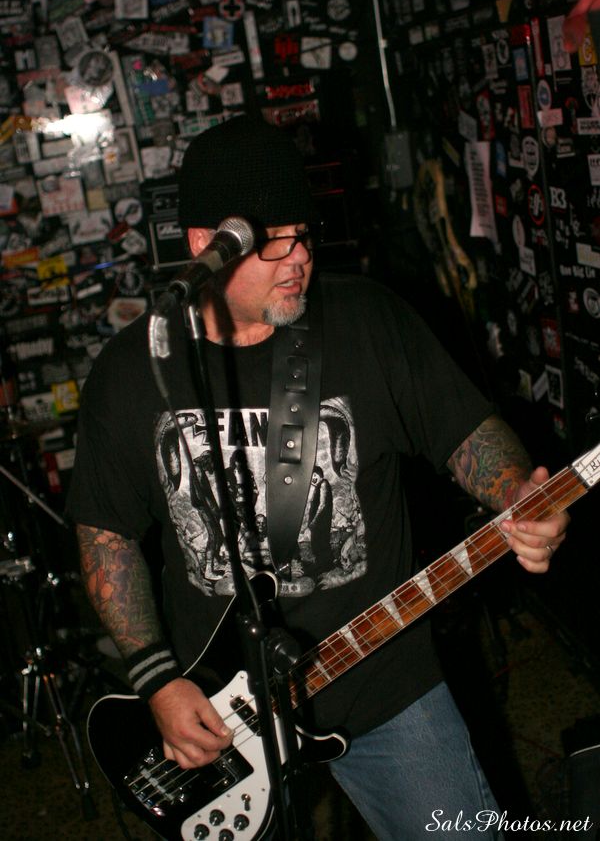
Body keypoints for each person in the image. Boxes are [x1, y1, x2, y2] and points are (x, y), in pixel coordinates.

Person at [66, 116, 569, 840]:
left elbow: (464, 431)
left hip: (384, 685)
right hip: (222, 709)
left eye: (303, 234)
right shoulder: (131, 371)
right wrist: (157, 679)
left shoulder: (368, 321)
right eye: (273, 243)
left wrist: (516, 491)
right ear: (205, 245)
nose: (299, 257)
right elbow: (105, 533)